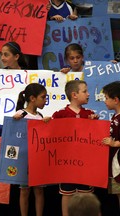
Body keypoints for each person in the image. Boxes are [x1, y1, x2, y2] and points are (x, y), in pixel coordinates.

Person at [52, 80, 99, 216]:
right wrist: (47, 123)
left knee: (86, 193)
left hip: (85, 163)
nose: (88, 94)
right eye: (85, 91)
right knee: (67, 193)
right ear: (74, 95)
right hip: (67, 163)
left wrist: (95, 124)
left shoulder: (90, 114)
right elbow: (51, 136)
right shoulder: (60, 115)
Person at [13, 83, 48, 216]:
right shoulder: (20, 114)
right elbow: (12, 134)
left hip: (37, 158)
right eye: (43, 97)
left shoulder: (40, 116)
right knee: (24, 190)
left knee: (39, 190)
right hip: (23, 158)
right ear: (32, 98)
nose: (45, 101)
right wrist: (14, 120)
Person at [102, 81, 120, 208]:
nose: (104, 101)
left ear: (116, 100)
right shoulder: (115, 116)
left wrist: (115, 143)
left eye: (106, 98)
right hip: (114, 164)